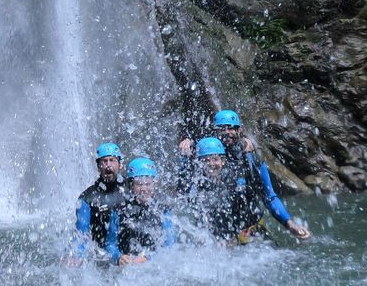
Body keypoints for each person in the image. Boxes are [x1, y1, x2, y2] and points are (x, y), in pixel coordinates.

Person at [180, 110, 311, 240]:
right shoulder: (206, 155)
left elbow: (269, 197)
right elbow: (184, 191)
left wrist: (290, 224)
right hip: (218, 239)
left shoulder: (250, 156)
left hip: (251, 232)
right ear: (214, 131)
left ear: (239, 130)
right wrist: (186, 155)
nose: (227, 132)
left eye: (231, 128)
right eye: (222, 129)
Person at [105, 157, 177, 265]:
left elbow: (171, 245)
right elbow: (110, 244)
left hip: (155, 266)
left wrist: (148, 258)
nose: (143, 189)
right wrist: (118, 257)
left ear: (154, 184)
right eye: (139, 184)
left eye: (147, 184)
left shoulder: (163, 211)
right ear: (131, 185)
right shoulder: (119, 210)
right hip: (127, 267)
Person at [71, 142, 128, 259]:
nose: (108, 165)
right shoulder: (87, 198)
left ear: (120, 165)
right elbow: (81, 233)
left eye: (112, 160)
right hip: (101, 257)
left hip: (129, 254)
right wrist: (77, 256)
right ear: (98, 167)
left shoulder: (130, 191)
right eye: (104, 161)